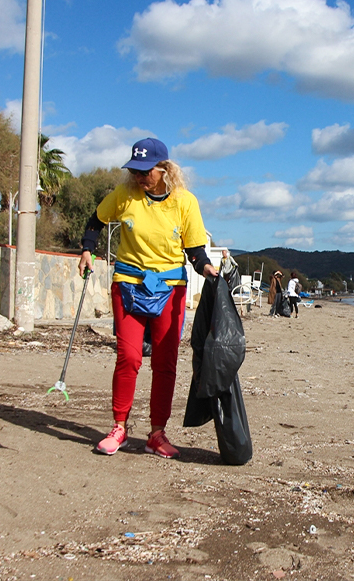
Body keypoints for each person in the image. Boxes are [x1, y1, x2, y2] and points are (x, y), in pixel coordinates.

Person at [78, 137, 218, 459]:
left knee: (166, 363)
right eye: (136, 171)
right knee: (128, 357)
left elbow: (195, 249)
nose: (140, 177)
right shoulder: (124, 195)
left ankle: (157, 434)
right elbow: (96, 220)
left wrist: (207, 268)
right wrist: (87, 249)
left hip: (170, 289)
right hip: (128, 284)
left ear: (164, 169)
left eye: (146, 172)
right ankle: (119, 428)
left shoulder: (185, 202)